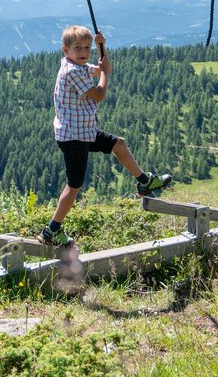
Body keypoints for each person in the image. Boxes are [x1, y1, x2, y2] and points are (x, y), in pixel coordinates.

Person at [39, 25, 172, 248]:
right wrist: (104, 74)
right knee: (74, 186)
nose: (83, 52)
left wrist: (103, 49)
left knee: (118, 144)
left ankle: (143, 182)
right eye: (77, 48)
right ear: (65, 49)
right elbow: (99, 94)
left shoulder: (76, 64)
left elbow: (99, 67)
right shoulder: (71, 71)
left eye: (87, 48)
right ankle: (52, 230)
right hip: (74, 137)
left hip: (84, 131)